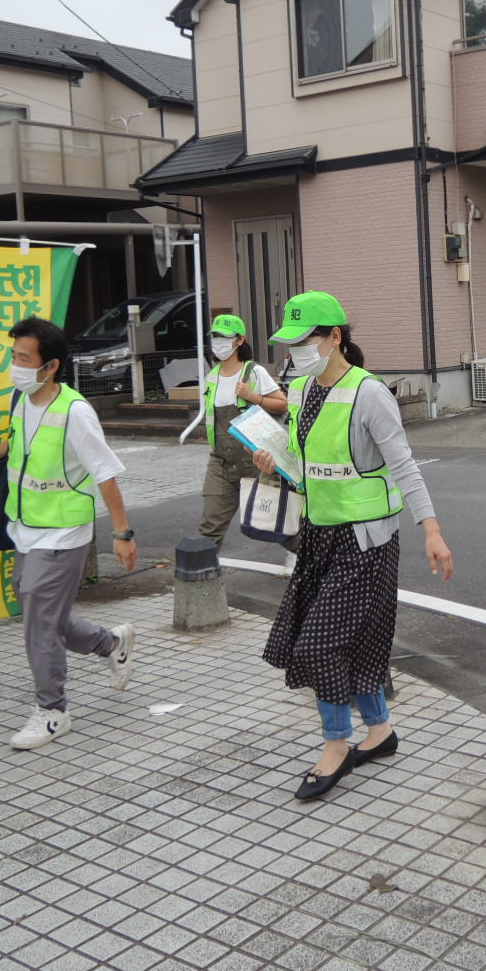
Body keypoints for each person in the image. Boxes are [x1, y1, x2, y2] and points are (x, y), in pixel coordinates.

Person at [252, 291, 454, 802]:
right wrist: (276, 464)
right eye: (290, 342)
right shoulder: (298, 391)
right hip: (319, 534)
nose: (296, 351)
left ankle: (336, 745)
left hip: (367, 542)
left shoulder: (369, 393)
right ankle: (381, 732)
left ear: (334, 337)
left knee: (317, 645)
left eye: (305, 340)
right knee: (359, 643)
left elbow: (405, 465)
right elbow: (306, 465)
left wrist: (430, 529)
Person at [0, 316, 139, 750]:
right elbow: (17, 446)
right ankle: (111, 642)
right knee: (48, 619)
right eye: (14, 356)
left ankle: (53, 710)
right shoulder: (23, 401)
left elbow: (106, 475)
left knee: (39, 623)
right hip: (27, 529)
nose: (15, 366)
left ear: (51, 366)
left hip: (62, 533)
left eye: (24, 358)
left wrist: (122, 533)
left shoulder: (75, 412)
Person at [196, 314, 290, 555]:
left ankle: (306, 566)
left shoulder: (254, 371)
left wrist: (253, 397)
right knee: (210, 526)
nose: (217, 342)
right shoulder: (212, 376)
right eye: (214, 337)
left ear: (239, 341)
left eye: (223, 337)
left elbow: (282, 405)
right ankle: (201, 582)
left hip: (256, 461)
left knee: (277, 521)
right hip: (220, 461)